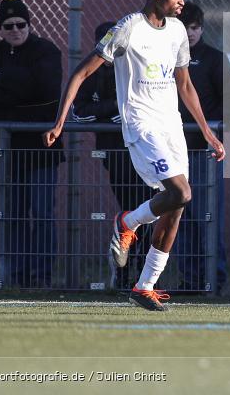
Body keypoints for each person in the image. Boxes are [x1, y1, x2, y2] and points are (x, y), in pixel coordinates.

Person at [43, 0, 225, 312]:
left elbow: (185, 84)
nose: (182, 0)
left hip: (171, 127)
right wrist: (60, 122)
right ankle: (127, 222)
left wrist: (206, 131)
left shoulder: (177, 31)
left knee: (175, 208)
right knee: (181, 192)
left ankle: (144, 287)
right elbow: (82, 72)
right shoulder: (128, 28)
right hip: (142, 126)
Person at [0, 0, 63, 288]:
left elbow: (47, 90)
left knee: (43, 213)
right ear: (0, 29)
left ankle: (41, 276)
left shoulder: (46, 50)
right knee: (13, 214)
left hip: (42, 148)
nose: (15, 30)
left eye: (21, 24)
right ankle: (17, 276)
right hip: (6, 149)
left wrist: (4, 79)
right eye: (8, 26)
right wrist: (22, 85)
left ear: (29, 24)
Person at [72, 21, 151, 292]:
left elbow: (142, 107)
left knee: (149, 212)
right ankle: (123, 271)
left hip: (145, 152)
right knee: (128, 211)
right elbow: (79, 112)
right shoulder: (92, 72)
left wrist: (121, 113)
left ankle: (145, 273)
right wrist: (114, 108)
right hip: (115, 155)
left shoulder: (135, 69)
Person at [176, 2, 230, 294]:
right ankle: (189, 280)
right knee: (181, 217)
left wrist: (210, 127)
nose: (191, 33)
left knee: (208, 217)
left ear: (202, 29)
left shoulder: (214, 58)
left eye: (195, 28)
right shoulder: (167, 58)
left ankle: (214, 280)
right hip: (174, 151)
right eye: (185, 28)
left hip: (205, 153)